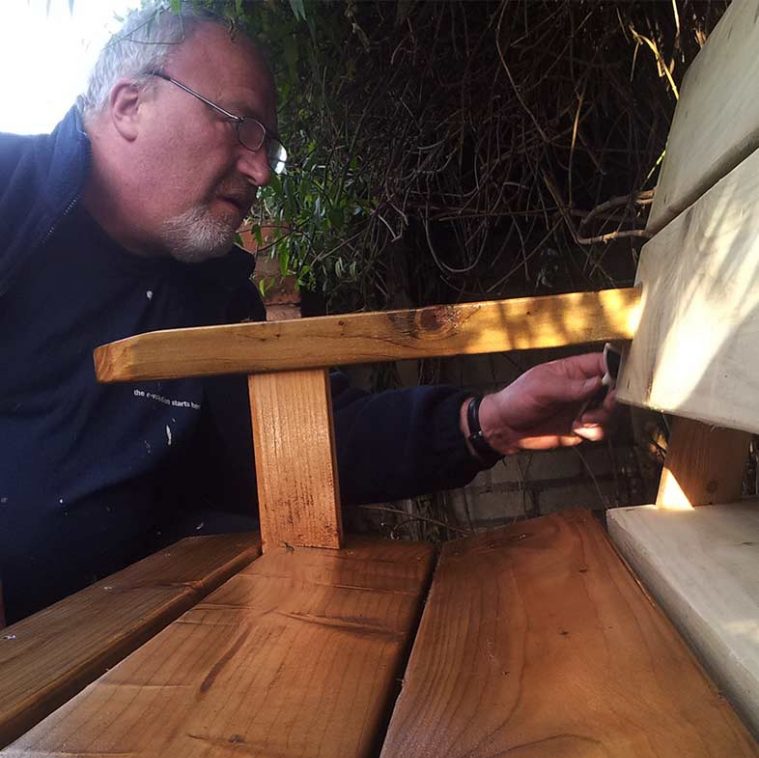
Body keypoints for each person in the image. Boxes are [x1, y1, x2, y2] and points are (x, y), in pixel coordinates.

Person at [0, 3, 613, 624]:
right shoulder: (10, 195)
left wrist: (488, 422)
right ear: (130, 106)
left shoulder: (213, 291)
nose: (261, 170)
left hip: (164, 632)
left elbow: (294, 442)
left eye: (269, 144)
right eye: (241, 126)